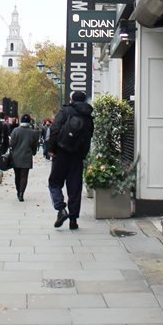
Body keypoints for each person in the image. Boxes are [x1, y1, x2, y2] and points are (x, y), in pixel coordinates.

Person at [47, 90, 94, 230]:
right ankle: (73, 220)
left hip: (61, 153)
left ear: (72, 99)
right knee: (75, 188)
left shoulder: (66, 111)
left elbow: (55, 129)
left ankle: (61, 209)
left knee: (54, 183)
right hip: (77, 156)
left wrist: (51, 149)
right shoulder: (88, 117)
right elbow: (88, 139)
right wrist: (83, 155)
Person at [9, 113, 40, 201]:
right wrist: (33, 153)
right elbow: (35, 145)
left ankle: (18, 190)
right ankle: (22, 193)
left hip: (16, 156)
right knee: (24, 176)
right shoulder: (33, 132)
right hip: (27, 156)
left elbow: (11, 144)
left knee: (17, 175)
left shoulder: (15, 130)